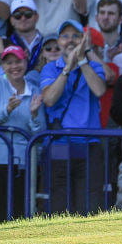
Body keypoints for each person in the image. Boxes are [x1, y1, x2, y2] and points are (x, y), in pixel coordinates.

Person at [40, 20, 107, 215]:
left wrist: (82, 61)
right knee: (60, 201)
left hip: (89, 142)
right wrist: (67, 69)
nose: (70, 40)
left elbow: (99, 90)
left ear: (84, 40)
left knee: (89, 203)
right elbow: (50, 99)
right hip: (60, 143)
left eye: (75, 36)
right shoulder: (50, 68)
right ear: (59, 41)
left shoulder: (95, 65)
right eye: (65, 36)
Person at [0, 45, 44, 221]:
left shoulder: (35, 89)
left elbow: (40, 131)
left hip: (24, 160)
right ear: (2, 66)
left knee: (20, 211)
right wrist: (7, 109)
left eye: (18, 61)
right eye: (9, 63)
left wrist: (33, 115)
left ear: (26, 62)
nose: (14, 66)